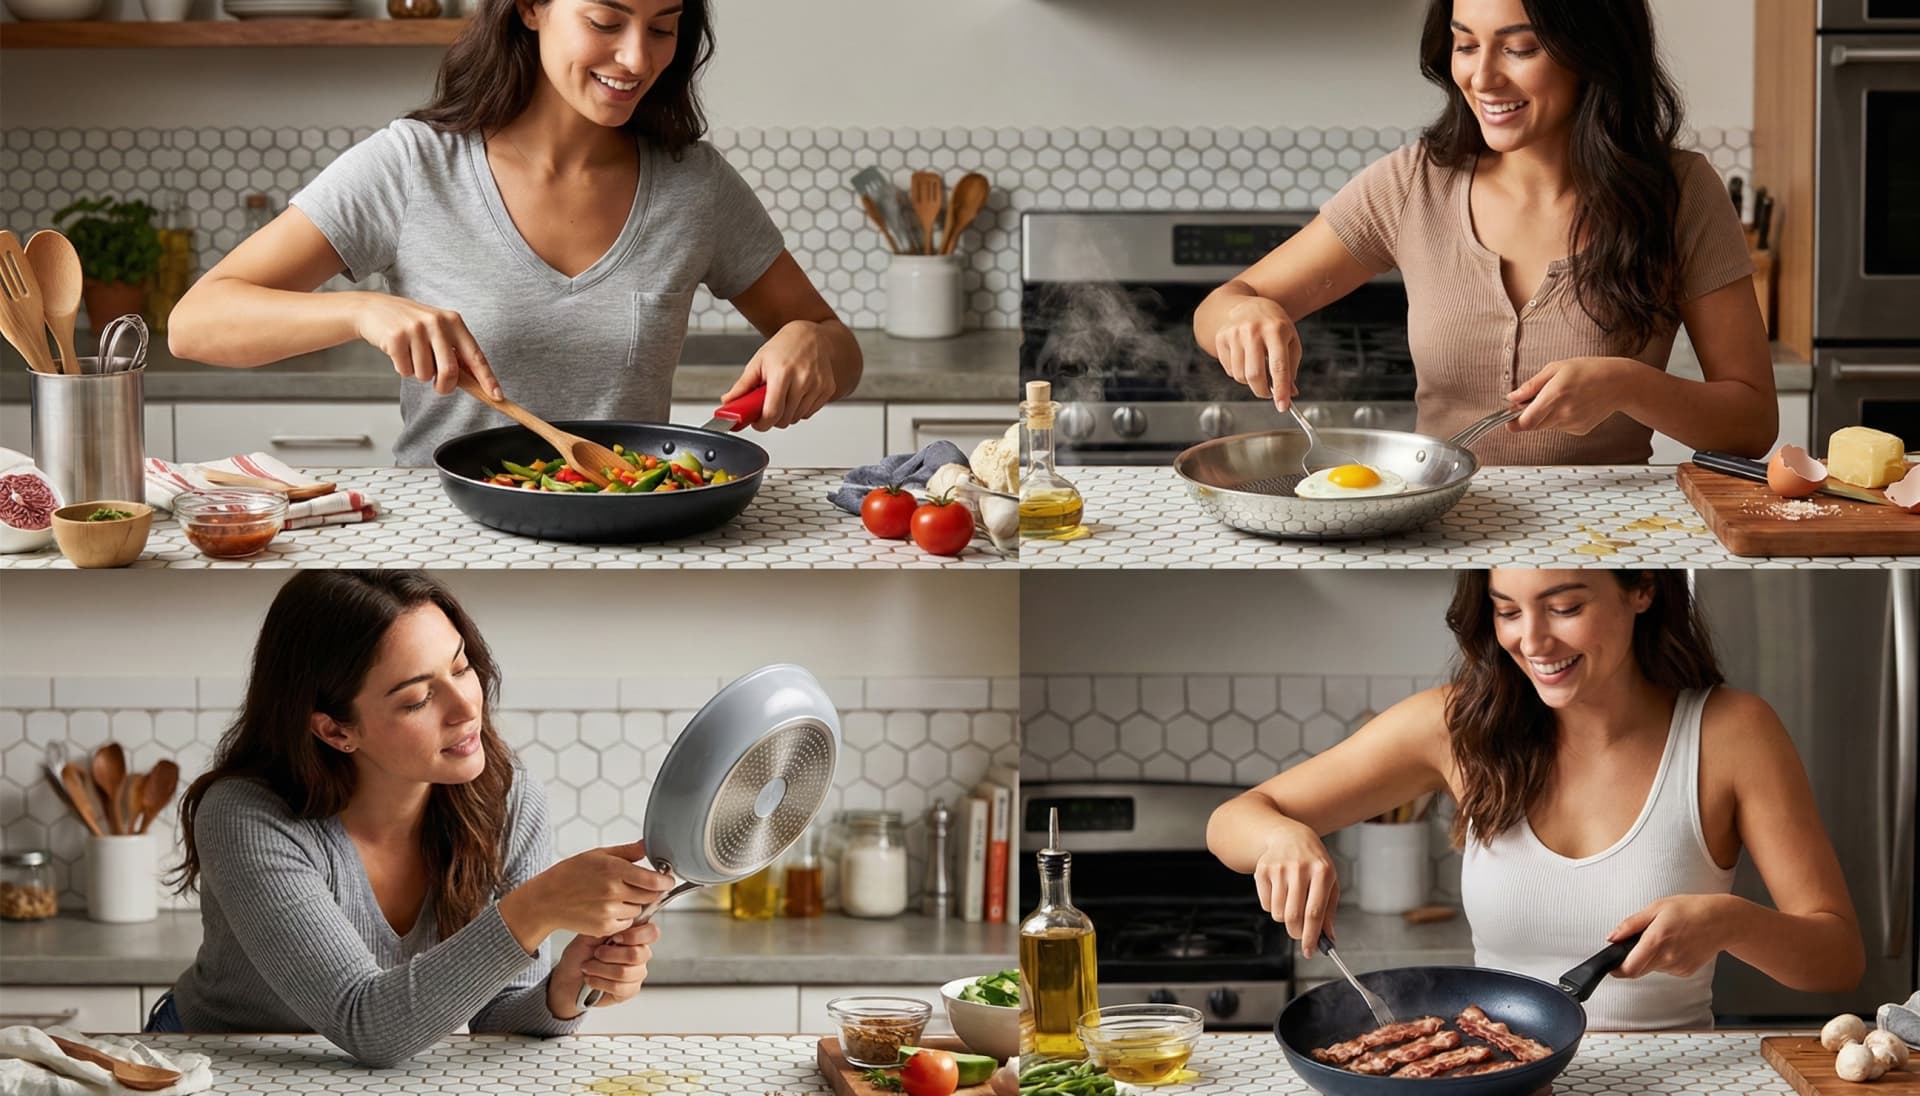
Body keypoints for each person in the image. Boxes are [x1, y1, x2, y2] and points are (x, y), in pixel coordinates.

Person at [168, 0, 861, 467]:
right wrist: (362, 311)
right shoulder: (414, 165)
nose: (635, 58)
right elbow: (196, 323)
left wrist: (811, 339)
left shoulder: (694, 184)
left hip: (629, 541)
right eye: (606, 20)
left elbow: (841, 349)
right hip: (445, 553)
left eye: (662, 28)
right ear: (530, 7)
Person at [1207, 569, 1863, 1030]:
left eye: (1565, 608)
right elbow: (1232, 821)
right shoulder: (1456, 727)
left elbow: (1837, 960)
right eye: (1507, 610)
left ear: (1641, 588)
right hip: (1498, 1079)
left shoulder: (1731, 732)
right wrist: (1283, 836)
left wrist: (1730, 922)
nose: (1533, 641)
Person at [1193, 0, 1775, 465]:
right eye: (1466, 45)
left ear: (1593, 50)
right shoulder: (1412, 184)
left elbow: (1751, 427)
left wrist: (1630, 385)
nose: (1483, 77)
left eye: (1520, 48)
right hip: (1443, 534)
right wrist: (1244, 314)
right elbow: (1219, 308)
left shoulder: (1679, 193)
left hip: (1606, 545)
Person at [152, 571, 672, 1066]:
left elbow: (496, 1020)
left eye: (461, 667)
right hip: (215, 1067)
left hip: (367, 1077)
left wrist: (561, 991)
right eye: (419, 698)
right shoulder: (245, 816)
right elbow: (365, 1023)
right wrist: (536, 908)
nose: (465, 708)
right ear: (335, 731)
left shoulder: (508, 798)